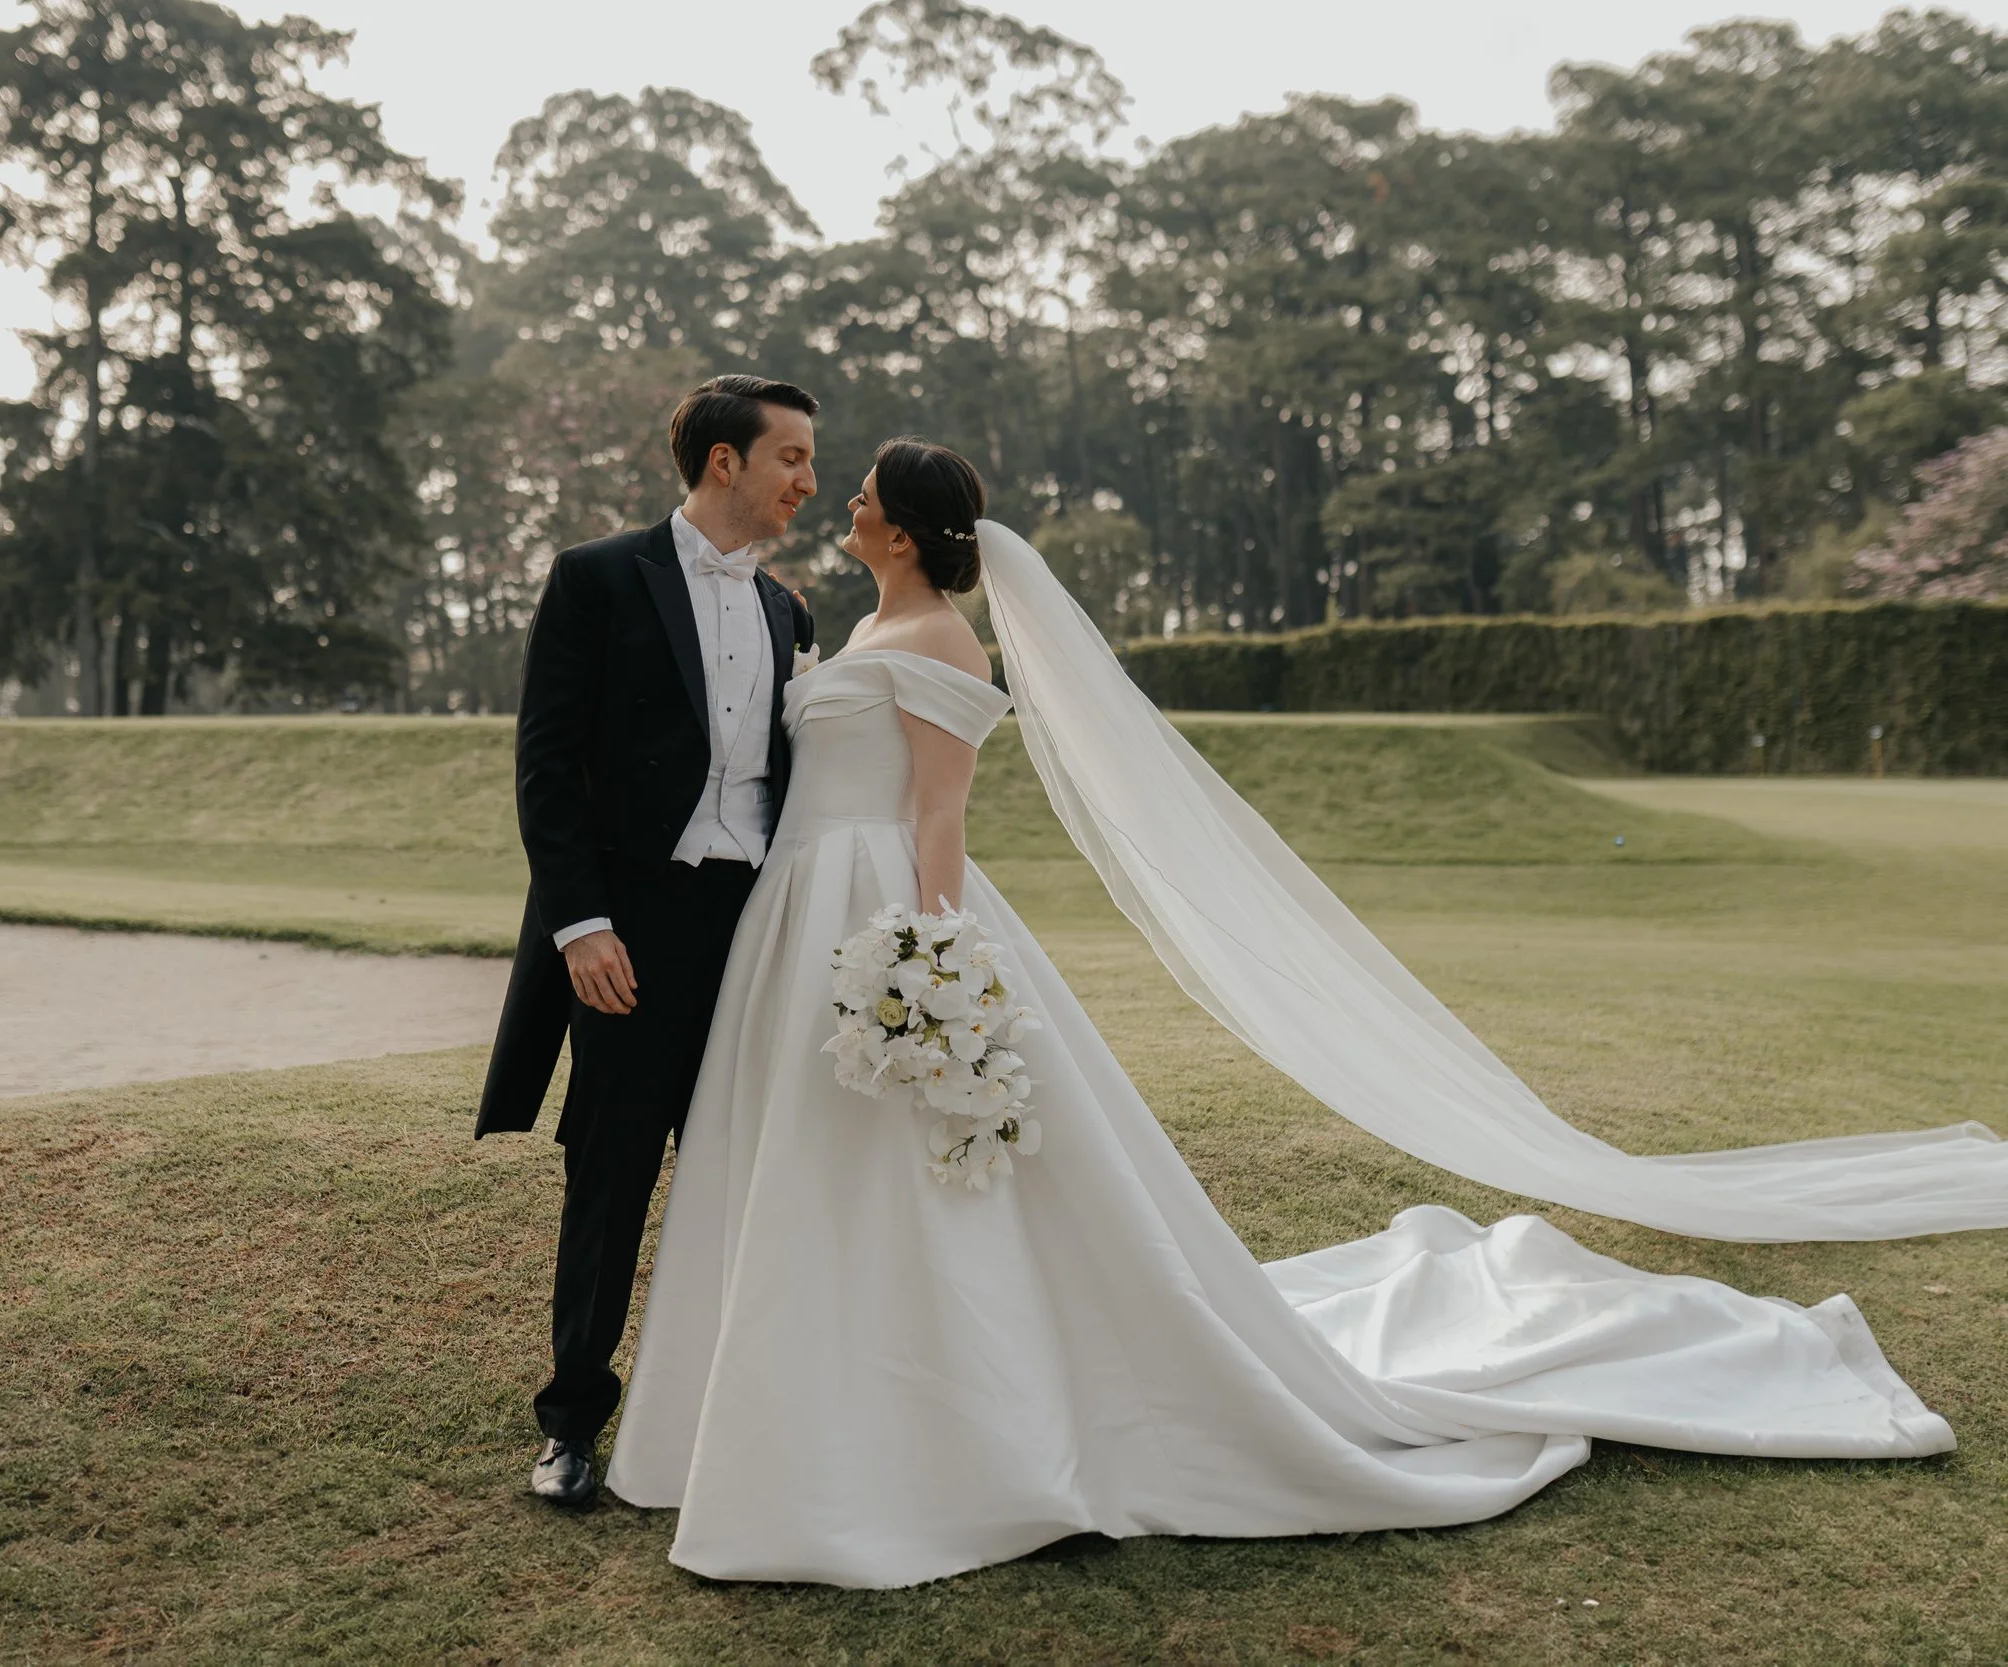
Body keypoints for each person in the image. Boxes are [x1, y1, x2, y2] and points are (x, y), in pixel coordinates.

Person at [599, 436, 1959, 1589]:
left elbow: (939, 809)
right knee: (809, 1160)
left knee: (922, 1159)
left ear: (901, 524)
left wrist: (930, 949)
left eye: (858, 493)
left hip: (885, 906)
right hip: (801, 910)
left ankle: (936, 1430)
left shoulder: (942, 632)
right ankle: (806, 1410)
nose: (838, 502)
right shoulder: (862, 623)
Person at [475, 375, 817, 1508]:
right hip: (629, 929)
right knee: (611, 1171)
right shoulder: (595, 577)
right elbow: (546, 763)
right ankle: (571, 1421)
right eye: (791, 457)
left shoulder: (788, 611)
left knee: (743, 1172)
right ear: (725, 462)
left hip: (755, 929)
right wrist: (581, 924)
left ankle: (731, 1412)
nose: (807, 481)